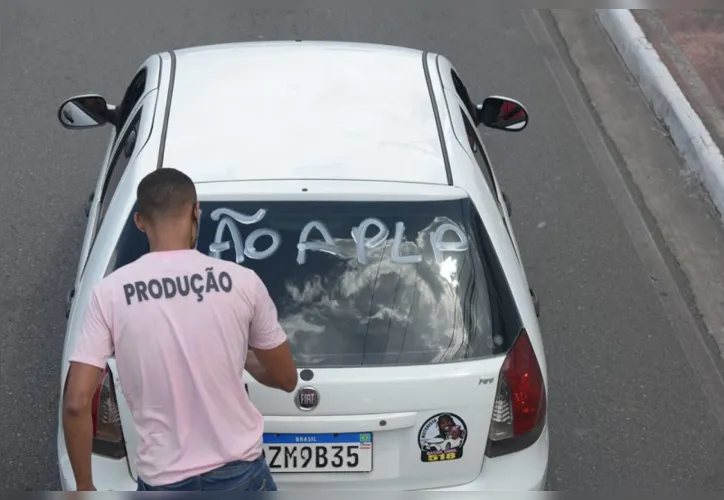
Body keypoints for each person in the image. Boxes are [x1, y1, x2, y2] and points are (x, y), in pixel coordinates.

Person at [62, 167, 298, 491]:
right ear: (195, 211)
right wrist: (241, 357)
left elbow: (76, 402)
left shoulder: (109, 293)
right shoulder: (243, 282)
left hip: (164, 481)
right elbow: (286, 379)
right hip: (240, 477)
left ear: (140, 222)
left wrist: (84, 488)